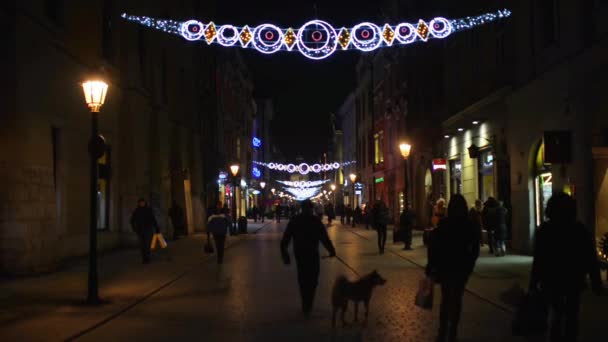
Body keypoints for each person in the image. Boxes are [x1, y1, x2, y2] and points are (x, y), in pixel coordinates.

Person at [530, 192, 604, 341]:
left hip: (551, 279)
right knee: (572, 315)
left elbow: (539, 260)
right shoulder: (579, 229)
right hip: (573, 279)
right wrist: (596, 281)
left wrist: (533, 282)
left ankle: (556, 337)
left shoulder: (545, 230)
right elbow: (590, 257)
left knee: (556, 315)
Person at [426, 194, 480, 342]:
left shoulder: (444, 224)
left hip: (445, 268)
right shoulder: (468, 225)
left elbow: (434, 245)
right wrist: (470, 265)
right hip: (461, 269)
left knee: (445, 299)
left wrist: (431, 266)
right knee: (457, 299)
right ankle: (453, 332)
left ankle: (442, 330)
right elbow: (475, 248)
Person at [281, 200, 337, 316]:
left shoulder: (295, 220)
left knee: (302, 278)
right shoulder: (315, 221)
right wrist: (331, 250)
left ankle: (305, 302)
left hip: (300, 253)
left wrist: (285, 254)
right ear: (311, 209)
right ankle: (309, 302)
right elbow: (324, 238)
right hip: (312, 253)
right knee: (313, 278)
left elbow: (285, 239)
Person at [130, 198, 159, 264]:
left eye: (143, 202)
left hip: (148, 230)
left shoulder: (148, 210)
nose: (142, 204)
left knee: (147, 244)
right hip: (140, 230)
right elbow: (132, 220)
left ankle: (147, 257)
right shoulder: (137, 211)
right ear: (139, 203)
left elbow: (153, 219)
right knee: (142, 245)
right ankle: (144, 258)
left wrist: (156, 227)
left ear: (145, 203)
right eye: (140, 203)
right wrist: (134, 228)